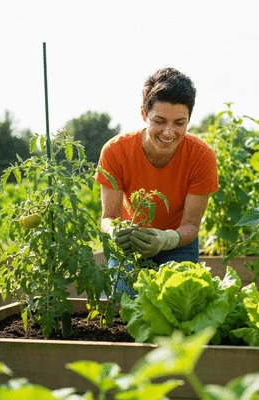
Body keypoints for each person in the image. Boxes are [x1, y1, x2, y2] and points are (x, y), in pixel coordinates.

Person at [95, 67, 218, 294]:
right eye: (159, 121)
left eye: (179, 123)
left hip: (178, 244)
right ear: (144, 114)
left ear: (189, 118)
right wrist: (115, 232)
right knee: (122, 300)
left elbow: (191, 226)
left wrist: (166, 239)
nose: (169, 132)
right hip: (130, 244)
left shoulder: (202, 156)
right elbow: (108, 217)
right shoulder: (115, 151)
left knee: (180, 302)